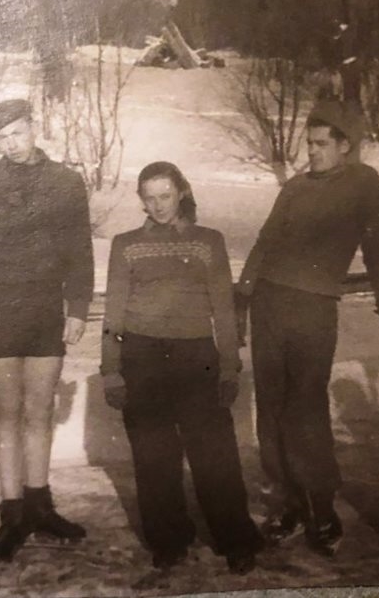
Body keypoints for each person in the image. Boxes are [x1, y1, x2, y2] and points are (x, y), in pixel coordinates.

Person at [235, 100, 379, 556]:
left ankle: (321, 505)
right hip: (269, 304)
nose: (311, 152)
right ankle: (287, 503)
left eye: (320, 144)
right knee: (271, 408)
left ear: (344, 145)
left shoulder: (364, 183)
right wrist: (241, 299)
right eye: (308, 143)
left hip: (314, 309)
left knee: (307, 409)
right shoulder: (295, 187)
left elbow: (376, 247)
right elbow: (264, 243)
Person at [101, 161, 264, 574]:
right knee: (153, 454)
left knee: (214, 453)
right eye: (150, 198)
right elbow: (114, 311)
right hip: (141, 356)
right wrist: (111, 370)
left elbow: (223, 309)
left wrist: (229, 366)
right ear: (141, 200)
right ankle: (168, 540)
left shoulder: (209, 241)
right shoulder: (125, 244)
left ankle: (235, 538)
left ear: (181, 193)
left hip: (196, 356)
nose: (158, 206)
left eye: (166, 196)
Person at [0, 99, 94, 561]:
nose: (10, 144)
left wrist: (78, 307)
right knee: (8, 412)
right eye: (1, 138)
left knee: (41, 409)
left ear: (33, 127)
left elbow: (80, 250)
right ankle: (13, 514)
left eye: (16, 133)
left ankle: (39, 505)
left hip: (46, 306)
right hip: (0, 308)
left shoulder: (65, 183)